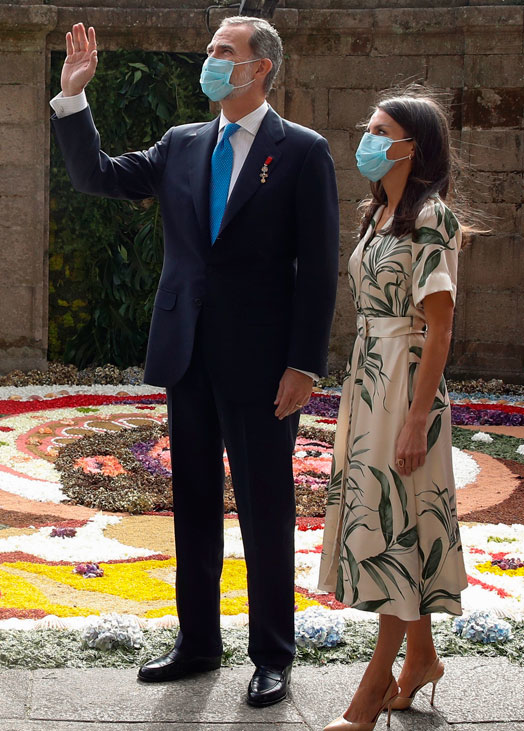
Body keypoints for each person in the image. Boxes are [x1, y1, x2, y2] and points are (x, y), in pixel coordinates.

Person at [51, 17, 339, 708]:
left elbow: (320, 268)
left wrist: (304, 363)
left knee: (266, 508)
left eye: (223, 52)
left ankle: (272, 653)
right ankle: (197, 643)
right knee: (194, 505)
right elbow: (97, 176)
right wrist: (73, 100)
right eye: (211, 48)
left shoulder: (301, 151)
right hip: (187, 355)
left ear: (260, 67)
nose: (210, 60)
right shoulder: (180, 144)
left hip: (266, 364)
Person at [318, 89, 471, 731]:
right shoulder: (375, 215)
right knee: (393, 518)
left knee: (393, 528)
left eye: (383, 130)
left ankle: (372, 692)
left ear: (414, 146)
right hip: (368, 381)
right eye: (370, 127)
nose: (370, 139)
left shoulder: (433, 218)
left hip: (406, 388)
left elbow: (439, 327)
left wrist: (415, 418)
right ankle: (422, 663)